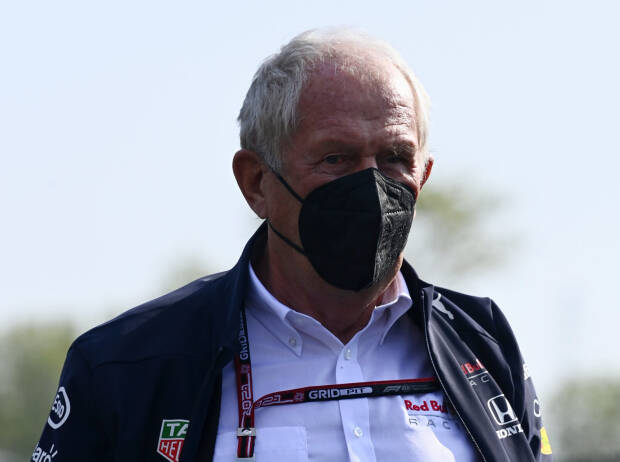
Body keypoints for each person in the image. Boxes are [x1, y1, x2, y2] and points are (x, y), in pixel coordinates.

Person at [32, 29, 553, 462]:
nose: (373, 186)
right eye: (335, 159)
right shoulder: (126, 365)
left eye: (395, 157)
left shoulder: (483, 343)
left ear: (424, 174)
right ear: (256, 182)